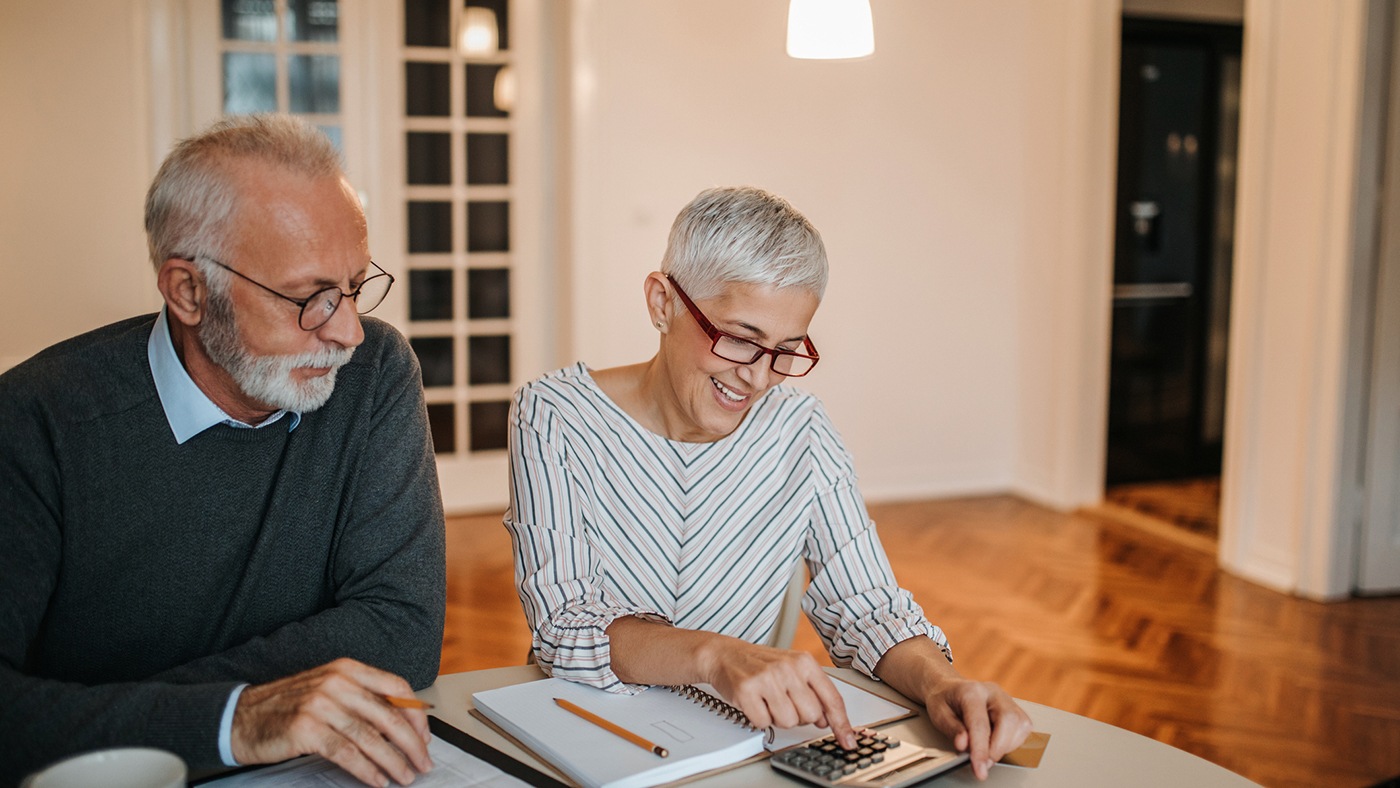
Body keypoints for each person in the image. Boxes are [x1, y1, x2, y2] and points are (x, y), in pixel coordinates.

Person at [505, 187, 1031, 781]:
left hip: (737, 756)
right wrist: (715, 656)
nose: (757, 377)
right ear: (661, 303)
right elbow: (564, 625)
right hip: (587, 738)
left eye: (784, 351)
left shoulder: (799, 430)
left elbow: (866, 608)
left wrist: (944, 683)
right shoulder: (554, 414)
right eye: (738, 337)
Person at [0, 115, 445, 788]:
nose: (350, 330)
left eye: (354, 286)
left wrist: (108, 709)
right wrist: (236, 718)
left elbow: (402, 631)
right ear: (188, 291)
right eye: (310, 299)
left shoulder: (376, 372)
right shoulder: (35, 424)